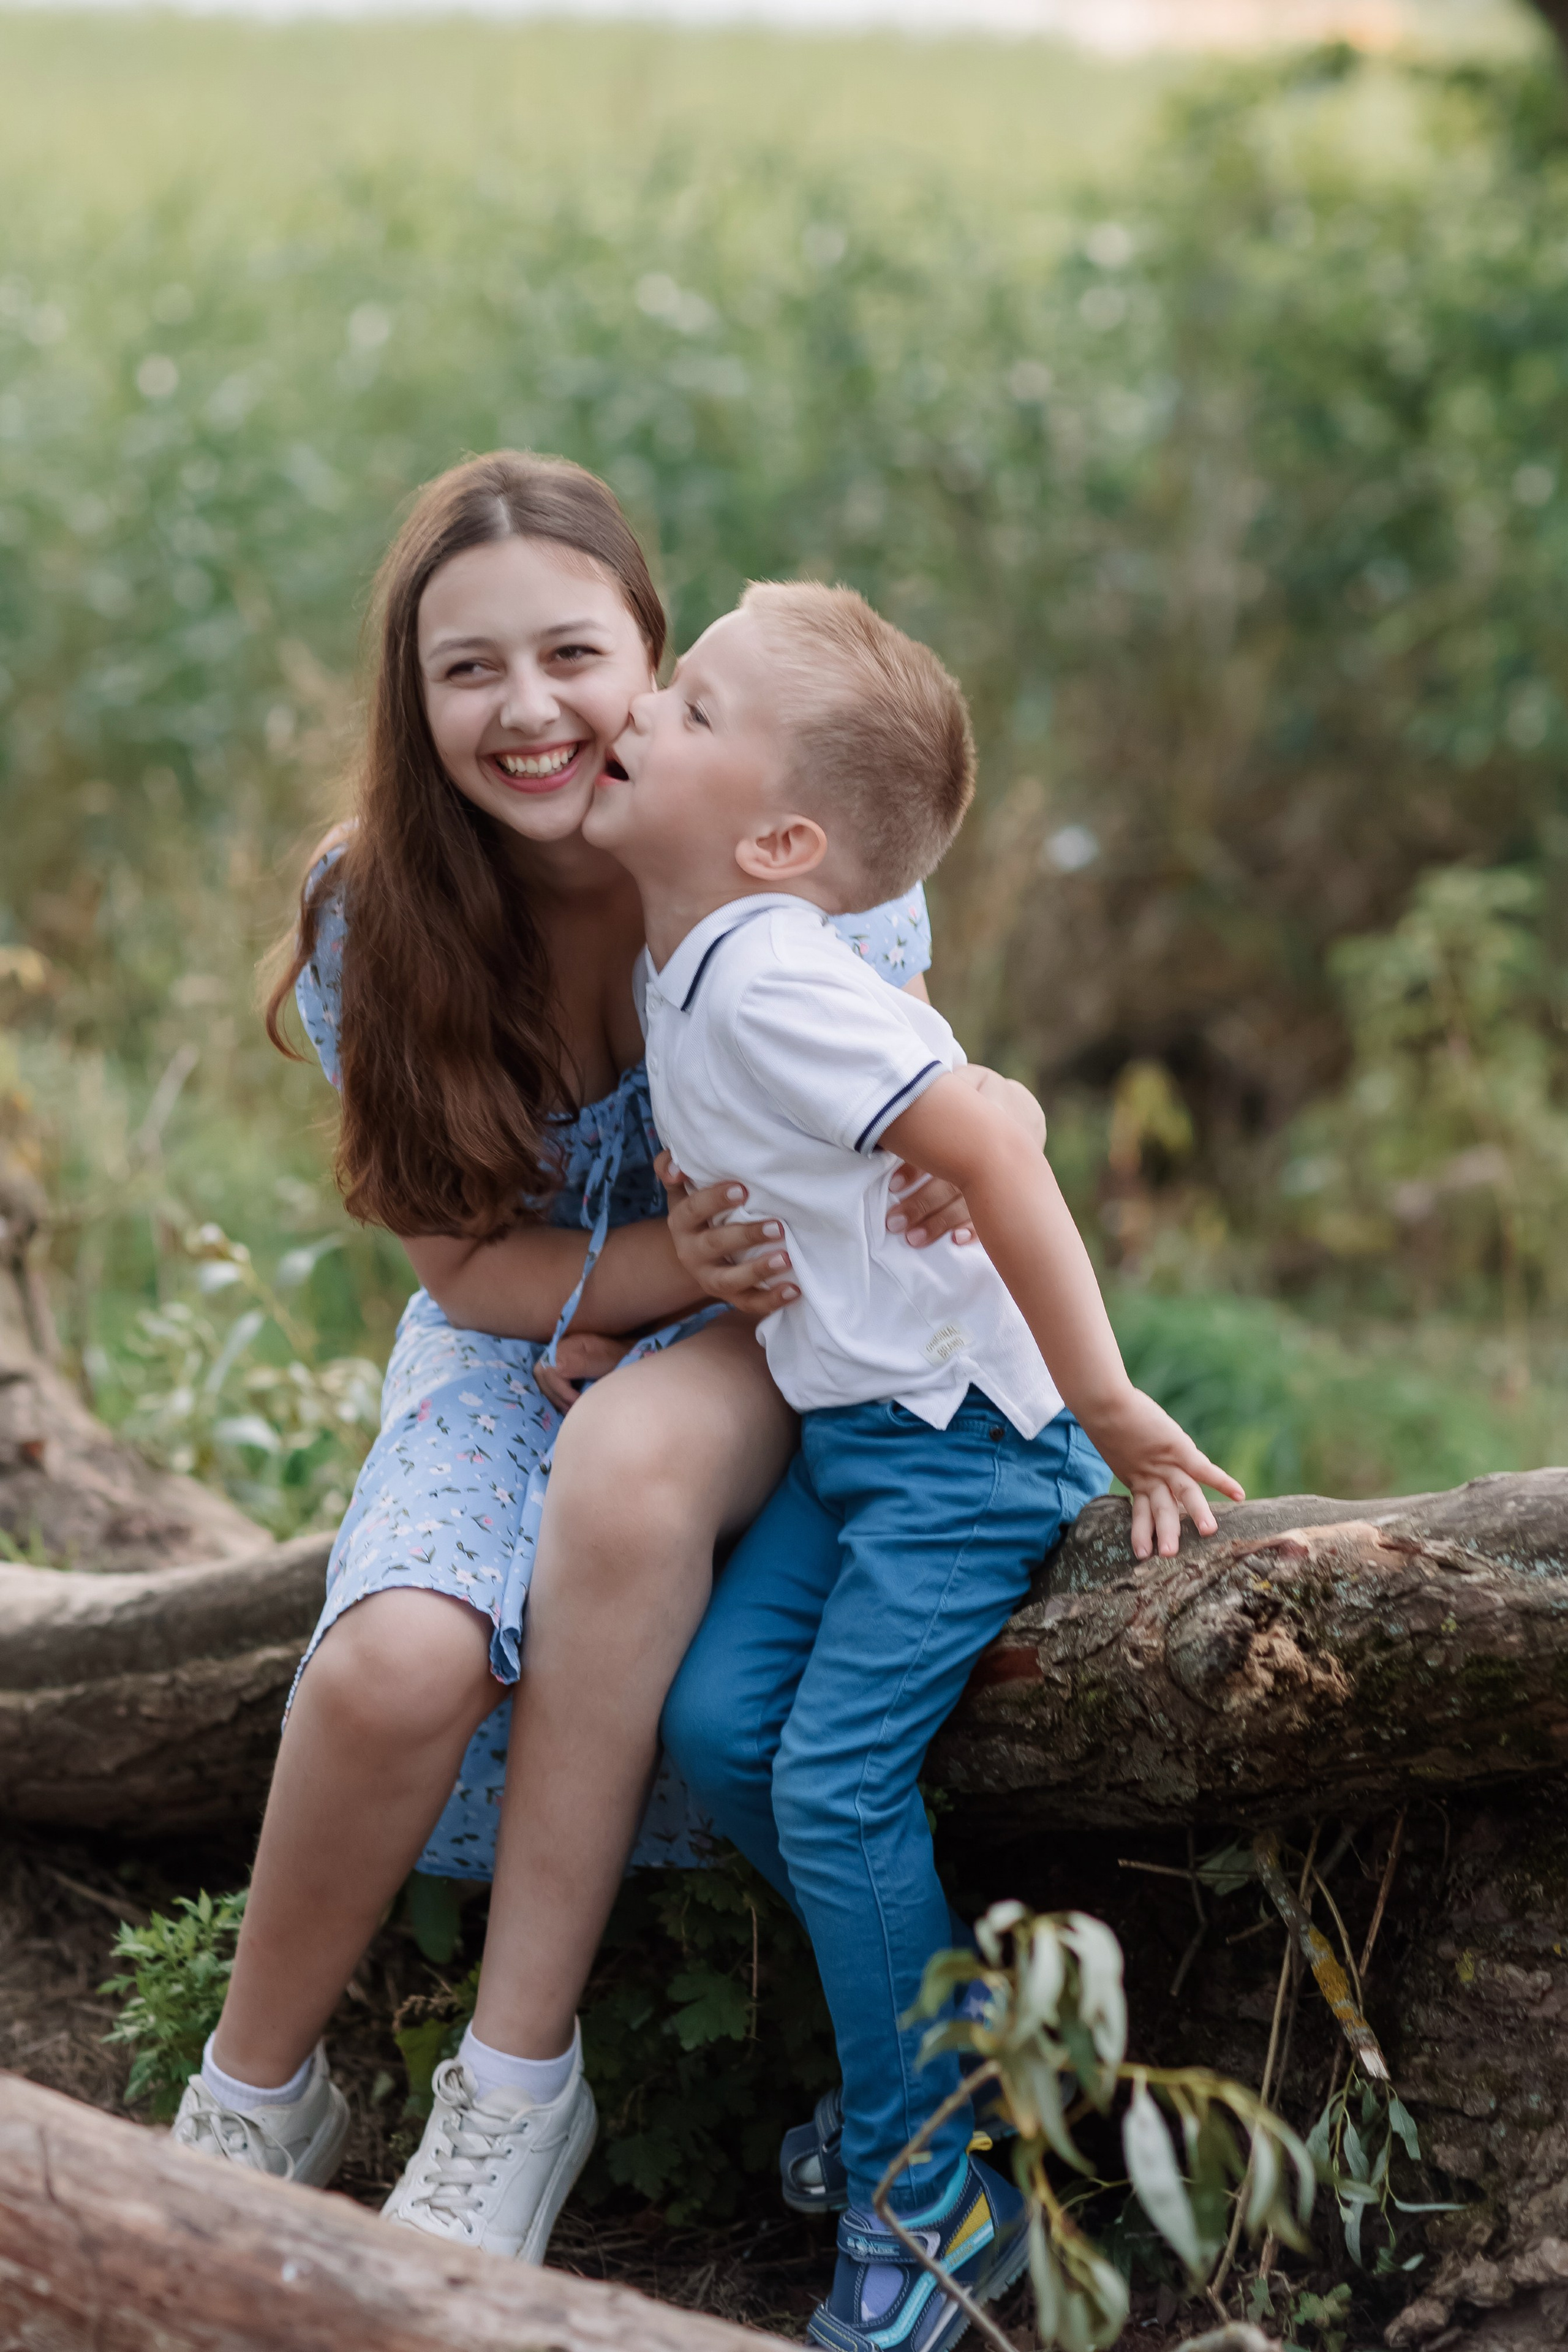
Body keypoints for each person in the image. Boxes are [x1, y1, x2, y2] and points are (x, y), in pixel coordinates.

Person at [168, 451, 1043, 2267]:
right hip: (524, 1319)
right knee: (399, 1658)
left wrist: (709, 1285)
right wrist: (628, 1276)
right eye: (466, 670)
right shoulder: (380, 913)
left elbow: (904, 1166)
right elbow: (465, 1267)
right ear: (414, 710)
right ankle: (250, 2100)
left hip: (765, 1322)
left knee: (635, 1462)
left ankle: (515, 2079)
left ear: (654, 653)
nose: (531, 709)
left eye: (574, 654)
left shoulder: (786, 872)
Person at [582, 579, 1243, 2352]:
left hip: (966, 1449)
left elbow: (995, 1148)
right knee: (721, 1732)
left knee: (833, 1784)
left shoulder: (771, 975)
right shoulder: (702, 960)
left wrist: (1108, 1407)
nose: (647, 702)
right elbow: (936, 1108)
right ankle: (935, 2057)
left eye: (696, 704)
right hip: (861, 1435)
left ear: (784, 836)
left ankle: (934, 2185)